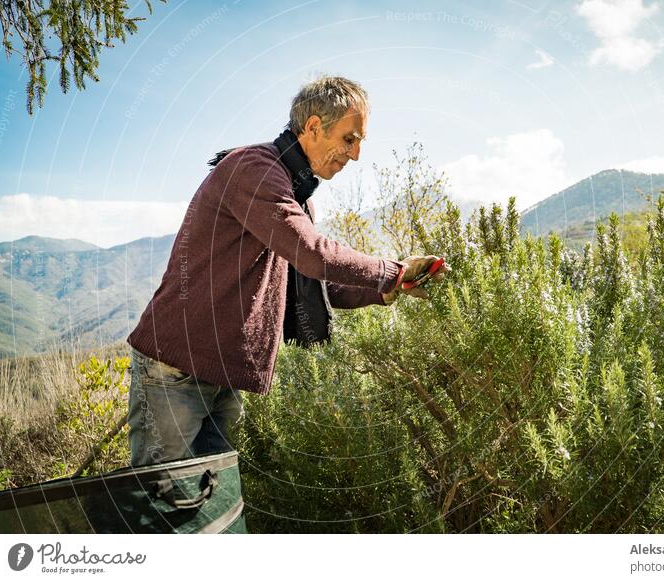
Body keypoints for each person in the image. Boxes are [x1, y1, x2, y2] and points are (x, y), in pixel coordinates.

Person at [126, 76, 450, 466]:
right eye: (350, 139)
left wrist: (387, 288)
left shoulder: (293, 194)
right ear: (314, 127)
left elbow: (315, 281)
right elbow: (314, 254)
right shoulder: (255, 170)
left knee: (209, 504)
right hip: (175, 369)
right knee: (160, 502)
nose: (357, 154)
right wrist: (388, 270)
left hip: (219, 374)